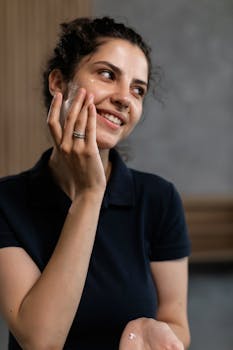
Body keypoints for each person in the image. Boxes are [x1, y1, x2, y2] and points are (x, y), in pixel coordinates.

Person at [0, 17, 191, 350]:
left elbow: (176, 322)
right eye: (107, 74)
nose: (124, 99)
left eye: (138, 89)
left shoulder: (159, 199)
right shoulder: (6, 199)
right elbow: (40, 342)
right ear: (59, 82)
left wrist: (151, 329)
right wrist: (89, 195)